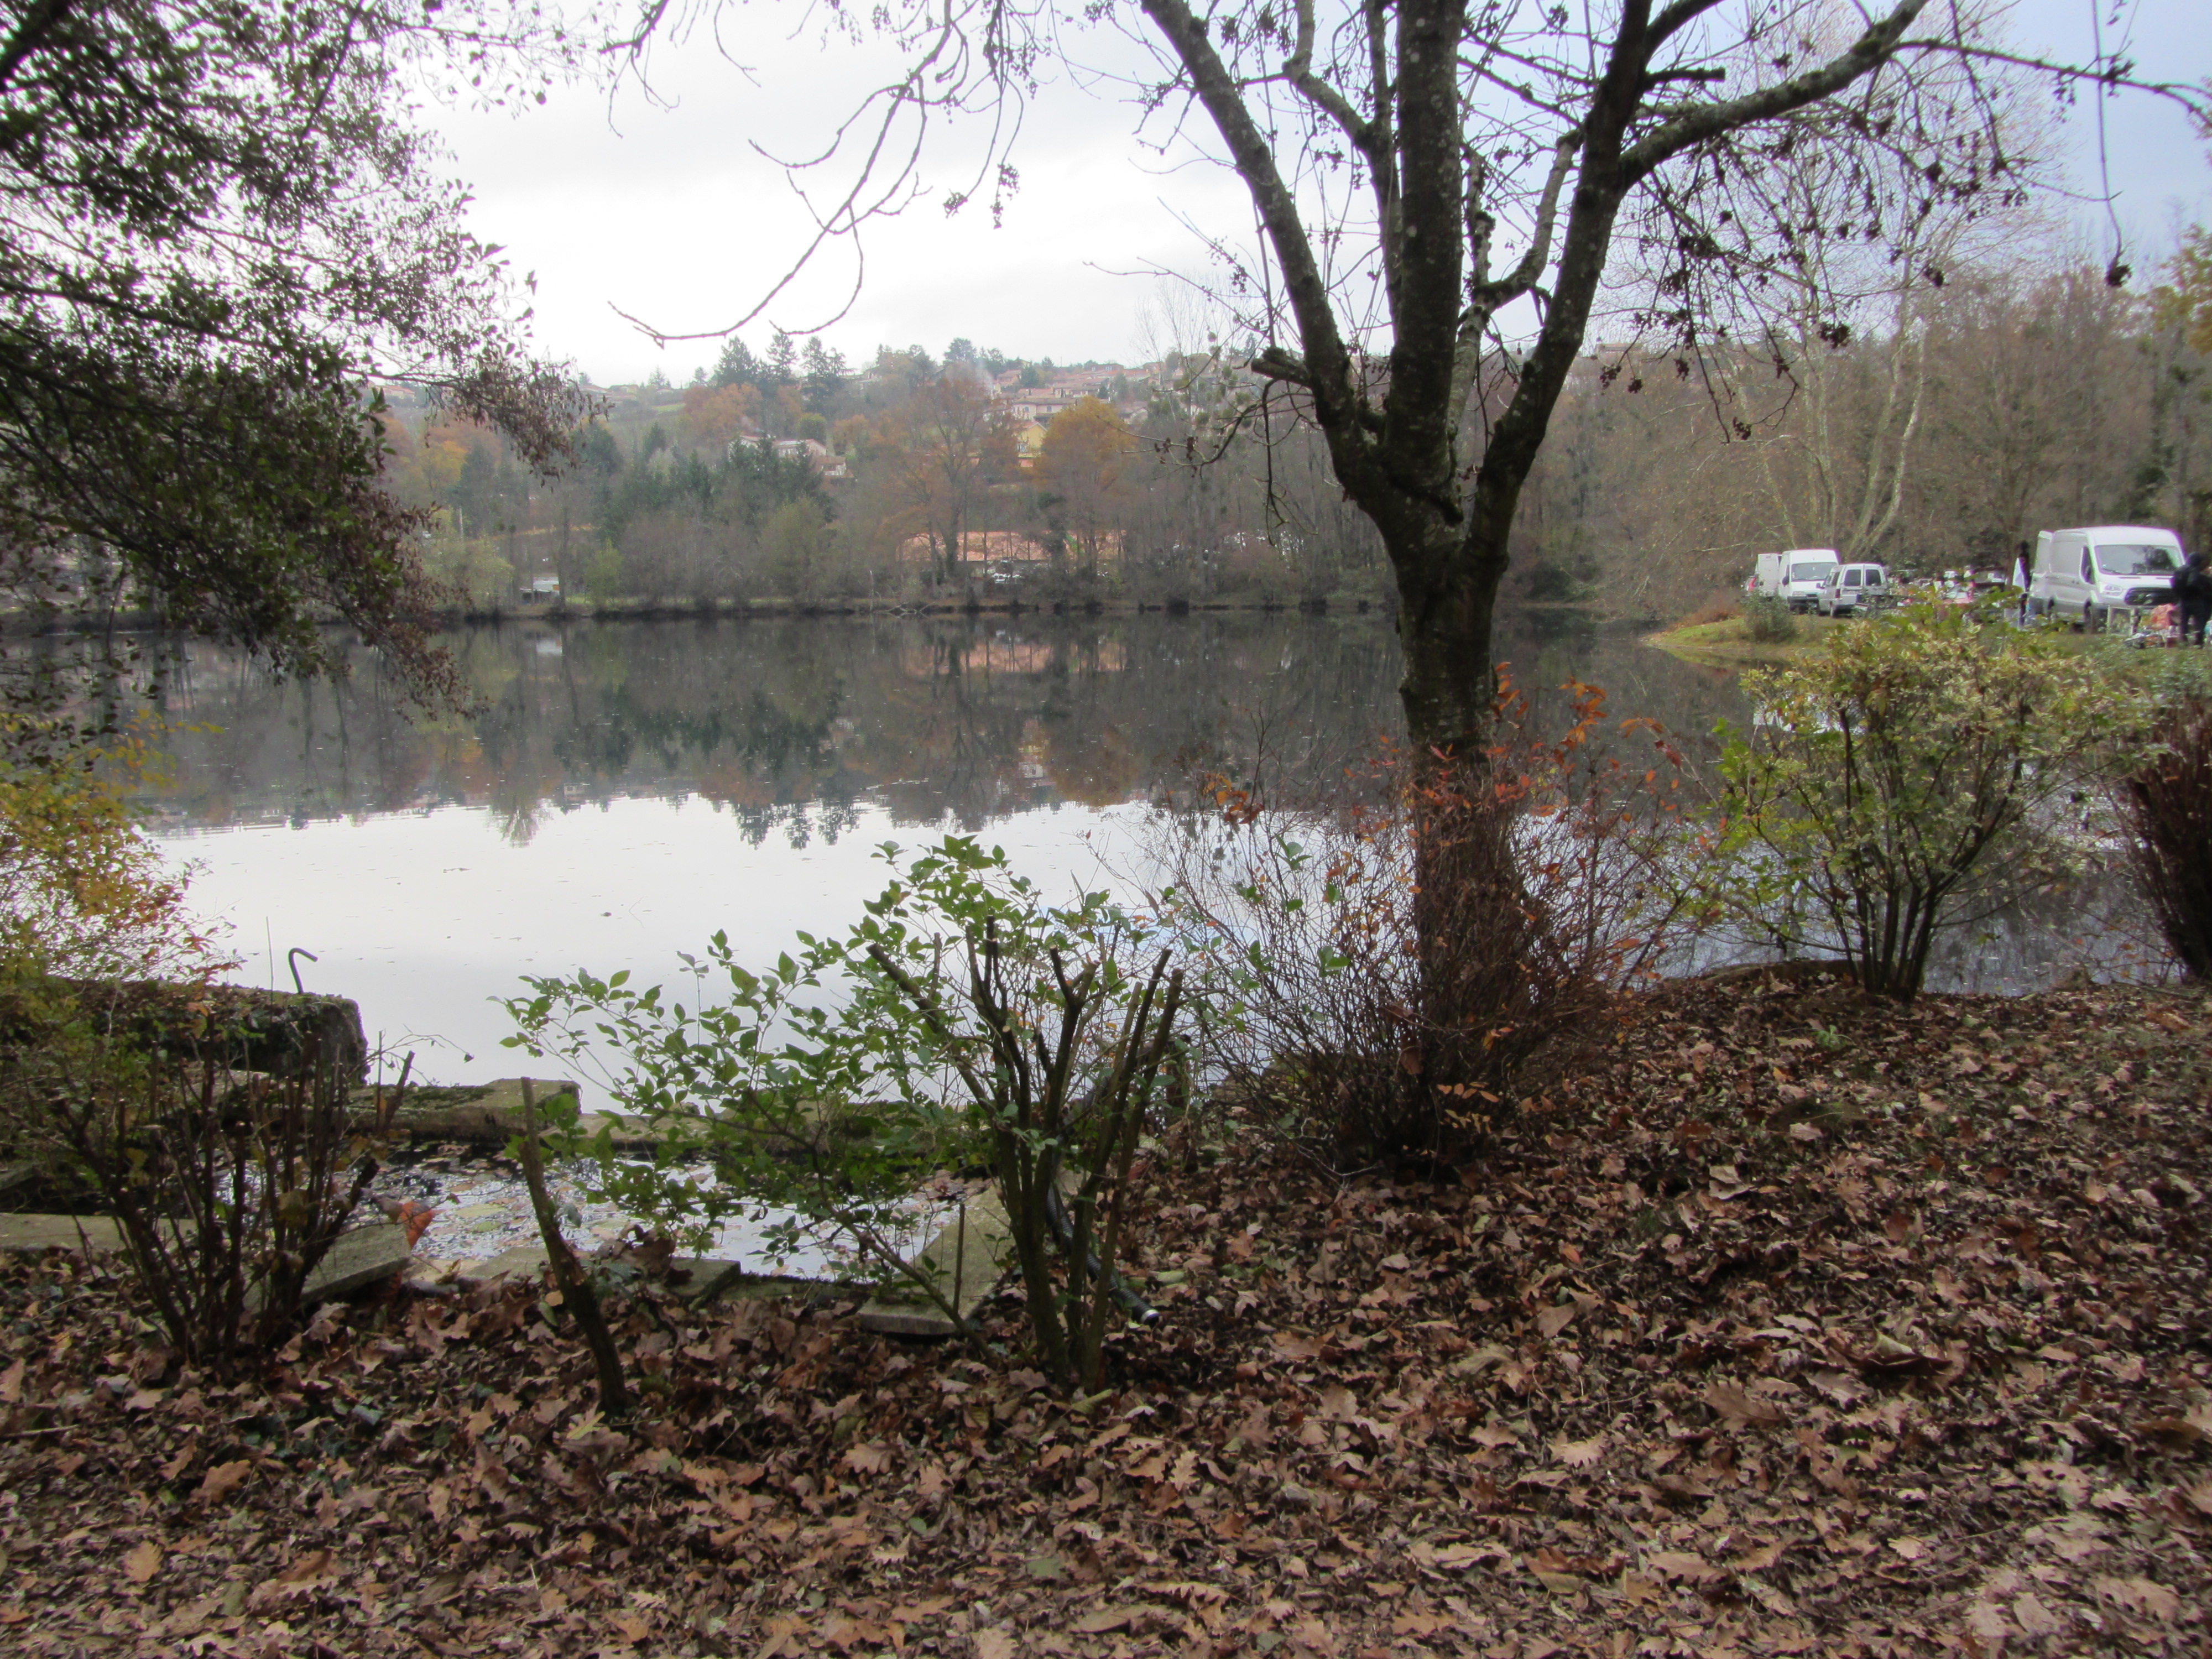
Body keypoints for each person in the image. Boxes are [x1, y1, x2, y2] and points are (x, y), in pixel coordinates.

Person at [2171, 551, 2212, 646]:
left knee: (2184, 620)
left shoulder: (2179, 570)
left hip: (2183, 599)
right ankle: (2199, 640)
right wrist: (2201, 591)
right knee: (2200, 619)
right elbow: (2192, 583)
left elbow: (2173, 582)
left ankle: (2183, 639)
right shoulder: (2193, 570)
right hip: (2195, 599)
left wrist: (2179, 595)